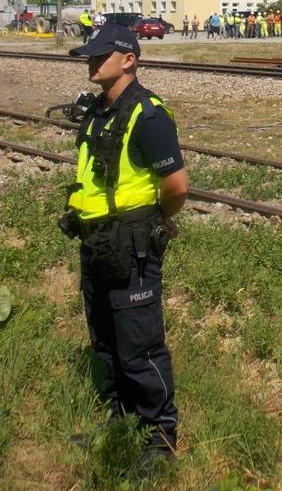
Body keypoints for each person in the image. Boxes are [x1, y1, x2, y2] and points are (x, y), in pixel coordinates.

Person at [62, 23, 189, 469]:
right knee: (106, 341)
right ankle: (118, 421)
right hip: (96, 243)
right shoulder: (98, 111)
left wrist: (156, 223)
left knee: (140, 346)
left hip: (133, 243)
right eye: (90, 56)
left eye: (100, 56)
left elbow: (176, 185)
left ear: (129, 60)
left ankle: (159, 438)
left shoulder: (148, 115)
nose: (91, 62)